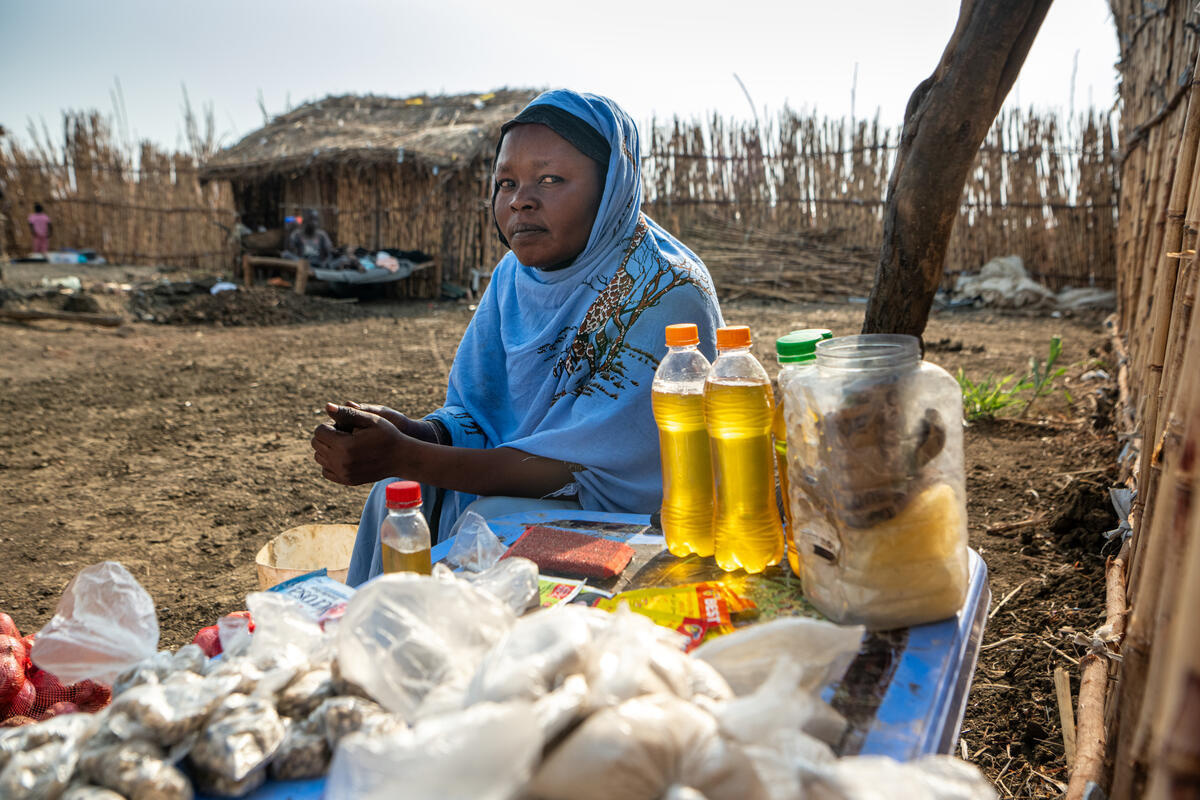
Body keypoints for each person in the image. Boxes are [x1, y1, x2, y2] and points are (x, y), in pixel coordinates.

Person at [311, 89, 724, 586]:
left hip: (644, 519)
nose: (520, 199)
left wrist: (406, 453)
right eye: (505, 183)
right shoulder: (514, 276)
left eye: (550, 179)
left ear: (612, 184)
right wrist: (420, 434)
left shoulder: (665, 289)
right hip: (527, 482)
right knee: (398, 493)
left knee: (489, 520)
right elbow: (483, 413)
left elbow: (577, 468)